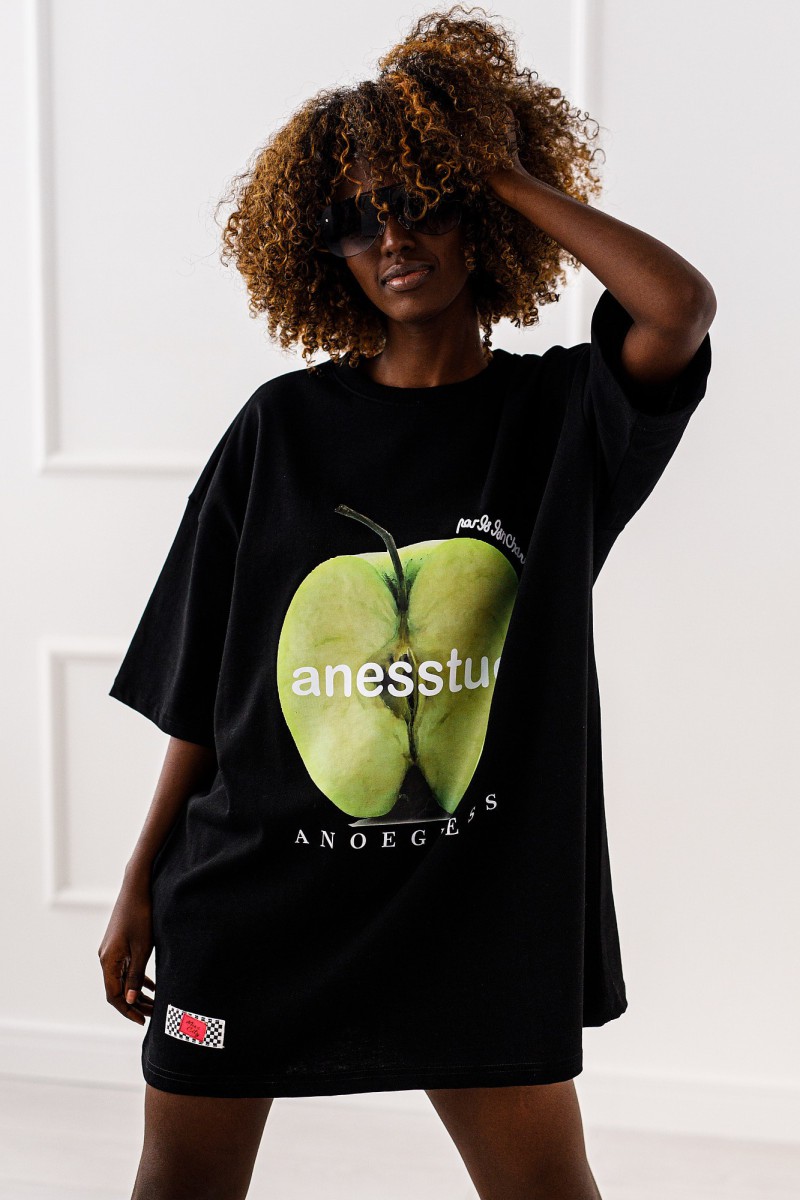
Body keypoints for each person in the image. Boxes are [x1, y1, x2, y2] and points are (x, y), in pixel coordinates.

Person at [97, 6, 715, 1199]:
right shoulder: (279, 429)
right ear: (321, 252)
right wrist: (138, 882)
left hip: (468, 911)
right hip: (255, 902)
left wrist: (495, 168)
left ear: (474, 216)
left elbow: (674, 309)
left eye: (420, 199)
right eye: (354, 217)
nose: (390, 236)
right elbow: (206, 685)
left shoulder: (558, 424)